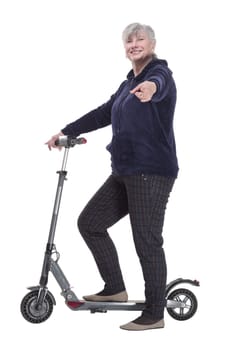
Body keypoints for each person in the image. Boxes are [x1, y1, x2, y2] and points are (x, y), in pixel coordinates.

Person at [46, 22, 179, 331]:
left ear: (152, 43)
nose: (134, 44)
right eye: (129, 41)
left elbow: (159, 83)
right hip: (123, 170)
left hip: (150, 171)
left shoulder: (160, 74)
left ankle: (155, 313)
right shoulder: (126, 85)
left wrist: (151, 88)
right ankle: (116, 289)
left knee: (146, 241)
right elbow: (104, 113)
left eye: (140, 39)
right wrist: (67, 131)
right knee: (90, 223)